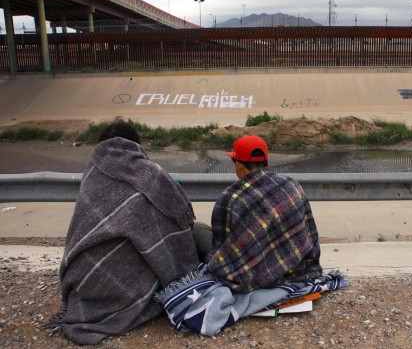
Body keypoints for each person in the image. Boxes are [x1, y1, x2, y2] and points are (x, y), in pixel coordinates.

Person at [48, 117, 201, 345]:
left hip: (80, 280)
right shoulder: (150, 174)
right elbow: (176, 223)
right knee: (179, 240)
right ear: (135, 143)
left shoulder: (92, 173)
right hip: (125, 287)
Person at [205, 135, 322, 293]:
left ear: (238, 164)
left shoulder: (231, 197)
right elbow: (310, 231)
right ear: (267, 162)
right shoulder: (291, 184)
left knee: (200, 232)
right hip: (300, 269)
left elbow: (222, 247)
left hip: (254, 279)